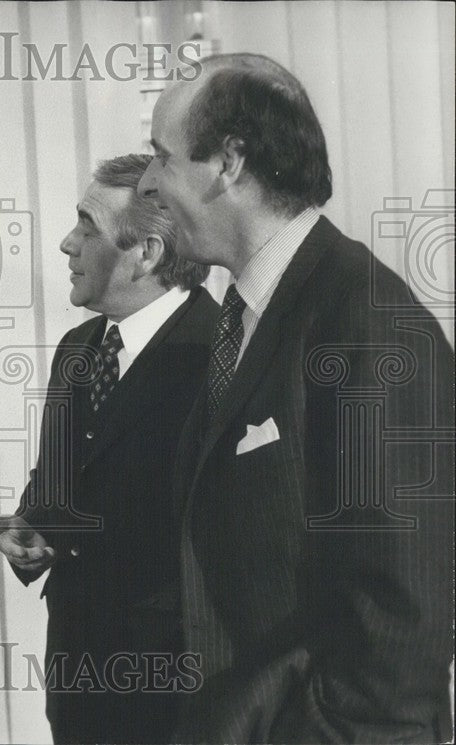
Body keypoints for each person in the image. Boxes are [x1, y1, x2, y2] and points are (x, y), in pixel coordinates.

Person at [139, 53, 454, 742]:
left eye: (161, 157)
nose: (148, 182)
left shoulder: (367, 323)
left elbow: (404, 626)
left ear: (229, 162)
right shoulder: (245, 317)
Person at [0, 154, 218, 744]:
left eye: (88, 225)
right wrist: (33, 525)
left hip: (179, 683)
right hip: (78, 673)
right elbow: (66, 474)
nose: (67, 243)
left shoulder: (221, 356)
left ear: (147, 254)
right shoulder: (78, 347)